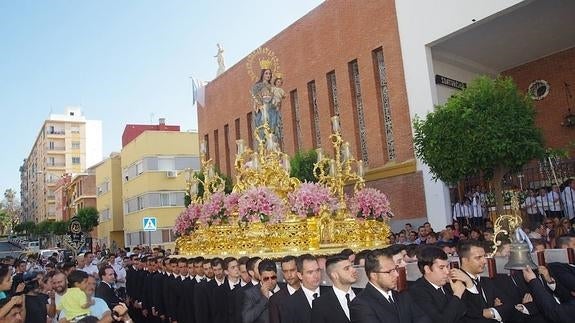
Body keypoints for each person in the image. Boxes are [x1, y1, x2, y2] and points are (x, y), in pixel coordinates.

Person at [349, 249, 430, 323]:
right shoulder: (360, 305)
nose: (396, 274)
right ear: (374, 275)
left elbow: (422, 318)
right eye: (389, 272)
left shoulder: (402, 295)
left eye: (395, 269)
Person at [457, 240, 512, 322]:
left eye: (484, 256)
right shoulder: (456, 283)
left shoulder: (486, 280)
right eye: (478, 258)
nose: (484, 261)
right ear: (465, 260)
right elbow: (467, 316)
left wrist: (492, 311)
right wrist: (495, 310)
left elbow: (508, 305)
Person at [409, 246, 467, 323]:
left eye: (447, 266)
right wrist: (457, 295)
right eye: (441, 268)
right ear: (427, 269)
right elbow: (441, 320)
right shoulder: (418, 291)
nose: (447, 272)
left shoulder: (448, 284)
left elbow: (465, 311)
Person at [311, 254, 360, 323]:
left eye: (352, 266)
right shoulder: (320, 305)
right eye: (347, 268)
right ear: (335, 275)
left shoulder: (364, 295)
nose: (353, 270)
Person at [282, 254, 326, 323]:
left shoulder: (331, 292)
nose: (316, 275)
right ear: (300, 275)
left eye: (317, 270)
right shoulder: (290, 304)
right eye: (310, 272)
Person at [241, 259, 279, 323]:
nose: (270, 281)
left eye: (273, 277)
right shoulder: (250, 293)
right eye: (266, 278)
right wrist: (264, 299)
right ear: (260, 277)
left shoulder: (284, 288)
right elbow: (246, 319)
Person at [269, 255, 300, 323]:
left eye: (292, 270)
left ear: (299, 270)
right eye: (285, 271)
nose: (289, 275)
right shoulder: (275, 300)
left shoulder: (310, 291)